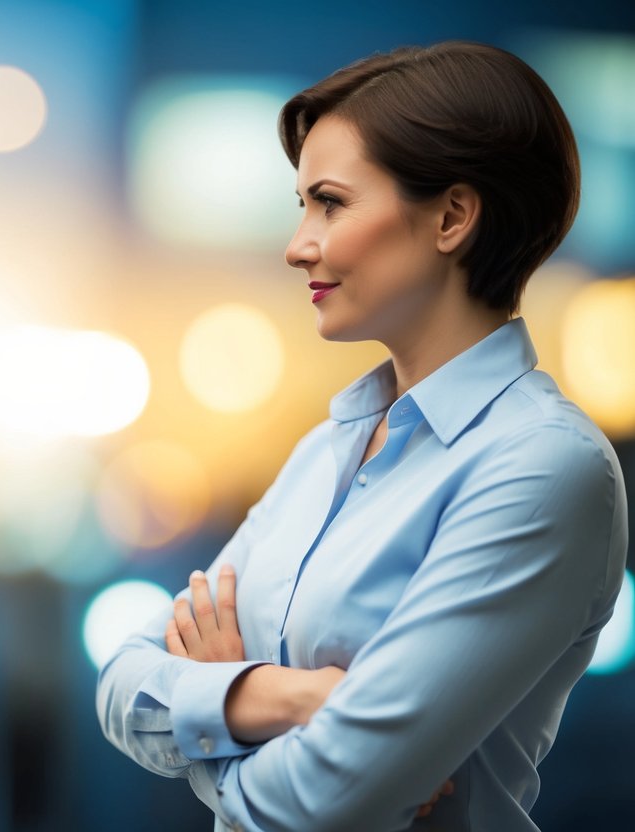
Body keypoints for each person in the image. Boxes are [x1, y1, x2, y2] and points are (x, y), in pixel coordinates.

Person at [97, 41, 628, 831]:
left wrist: (212, 711)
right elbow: (119, 685)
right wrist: (286, 695)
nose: (296, 244)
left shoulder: (543, 468)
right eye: (300, 206)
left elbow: (323, 802)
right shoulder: (329, 448)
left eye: (330, 203)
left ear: (451, 216)